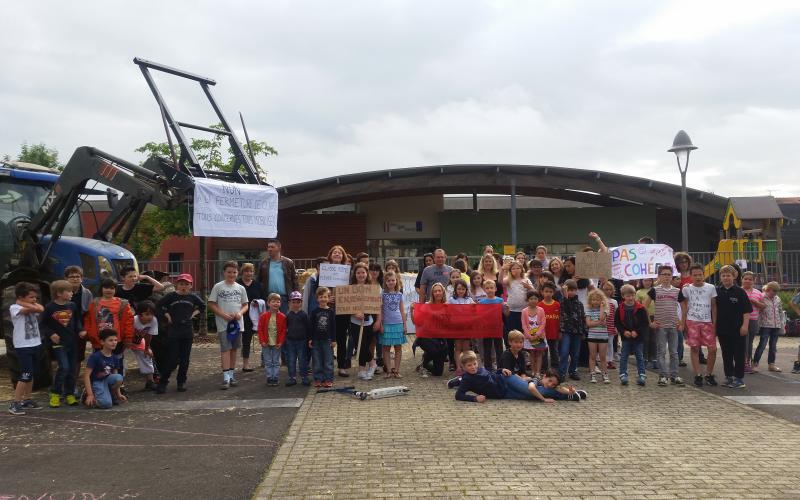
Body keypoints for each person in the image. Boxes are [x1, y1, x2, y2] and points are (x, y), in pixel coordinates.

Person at [455, 351, 585, 403]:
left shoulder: (481, 369)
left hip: (507, 381)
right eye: (469, 366)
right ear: (463, 367)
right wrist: (474, 398)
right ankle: (569, 395)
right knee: (530, 396)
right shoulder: (467, 379)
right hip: (504, 394)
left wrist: (502, 370)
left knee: (533, 391)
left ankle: (570, 395)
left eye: (475, 364)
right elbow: (459, 396)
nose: (473, 367)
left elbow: (492, 374)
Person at [155, 273, 205, 394]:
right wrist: (167, 315)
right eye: (181, 284)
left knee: (184, 359)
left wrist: (193, 315)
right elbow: (159, 306)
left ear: (191, 285)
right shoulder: (171, 296)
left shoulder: (193, 297)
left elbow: (202, 306)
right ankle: (163, 382)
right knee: (172, 358)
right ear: (176, 284)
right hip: (174, 331)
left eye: (186, 284)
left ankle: (181, 382)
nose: (184, 286)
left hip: (187, 331)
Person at [41, 280, 84, 408]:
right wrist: (51, 334)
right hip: (59, 344)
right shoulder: (49, 307)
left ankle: (69, 394)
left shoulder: (72, 306)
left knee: (71, 370)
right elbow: (43, 324)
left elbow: (77, 321)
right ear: (59, 293)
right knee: (64, 367)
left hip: (72, 343)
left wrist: (81, 330)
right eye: (69, 291)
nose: (72, 293)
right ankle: (55, 393)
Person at [208, 261, 249, 390]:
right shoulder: (218, 287)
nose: (231, 274)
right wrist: (223, 314)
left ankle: (231, 375)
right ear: (224, 273)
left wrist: (240, 313)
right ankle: (225, 377)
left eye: (234, 272)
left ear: (238, 273)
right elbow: (211, 303)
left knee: (234, 349)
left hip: (237, 324)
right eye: (229, 272)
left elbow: (245, 304)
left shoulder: (241, 288)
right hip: (223, 324)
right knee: (225, 349)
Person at [644, 266, 685, 386]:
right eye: (664, 274)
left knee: (674, 352)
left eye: (668, 274)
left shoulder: (677, 291)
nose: (666, 277)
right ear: (659, 276)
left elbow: (684, 307)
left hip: (674, 326)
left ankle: (674, 375)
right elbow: (644, 306)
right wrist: (650, 323)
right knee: (661, 352)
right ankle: (663, 376)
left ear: (672, 276)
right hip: (660, 326)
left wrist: (682, 322)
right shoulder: (654, 290)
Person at [8, 282, 45, 415]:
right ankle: (15, 402)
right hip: (23, 346)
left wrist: (26, 302)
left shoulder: (32, 305)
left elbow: (41, 308)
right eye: (31, 297)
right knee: (25, 375)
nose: (35, 300)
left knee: (31, 374)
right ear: (20, 297)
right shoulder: (14, 307)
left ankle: (27, 399)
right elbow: (35, 309)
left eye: (35, 297)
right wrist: (22, 303)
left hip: (35, 343)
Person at [680, 264, 718, 387]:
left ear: (703, 275)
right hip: (692, 321)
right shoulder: (686, 289)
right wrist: (683, 323)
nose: (697, 277)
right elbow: (684, 307)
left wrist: (714, 322)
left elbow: (713, 306)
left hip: (707, 322)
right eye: (695, 275)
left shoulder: (711, 287)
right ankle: (698, 375)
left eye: (700, 275)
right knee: (695, 348)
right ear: (691, 276)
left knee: (712, 349)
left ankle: (709, 374)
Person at [715, 265, 753, 389]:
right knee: (726, 354)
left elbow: (746, 311)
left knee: (738, 354)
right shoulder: (717, 291)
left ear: (734, 277)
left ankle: (739, 379)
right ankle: (729, 376)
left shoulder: (740, 292)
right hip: (722, 329)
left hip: (738, 329)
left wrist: (745, 326)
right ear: (720, 277)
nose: (726, 278)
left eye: (728, 275)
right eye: (723, 275)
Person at [84, 278, 134, 359]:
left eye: (112, 288)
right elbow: (88, 319)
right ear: (101, 289)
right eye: (106, 288)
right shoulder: (94, 303)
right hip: (99, 341)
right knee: (100, 364)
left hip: (116, 341)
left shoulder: (123, 304)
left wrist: (128, 337)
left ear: (115, 289)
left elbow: (129, 322)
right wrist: (90, 334)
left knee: (117, 363)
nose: (109, 290)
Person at [326, 244, 354, 377]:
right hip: (327, 309)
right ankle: (328, 365)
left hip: (343, 309)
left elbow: (352, 289)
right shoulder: (324, 271)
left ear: (343, 256)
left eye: (339, 253)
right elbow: (319, 290)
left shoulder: (348, 272)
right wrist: (326, 298)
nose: (337, 254)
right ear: (330, 256)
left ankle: (342, 366)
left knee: (342, 339)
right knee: (327, 338)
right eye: (334, 253)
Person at [82, 329, 126, 409]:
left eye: (116, 340)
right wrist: (90, 394)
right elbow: (86, 376)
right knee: (106, 404)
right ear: (102, 342)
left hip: (107, 380)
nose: (114, 342)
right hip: (97, 382)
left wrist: (118, 394)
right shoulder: (95, 356)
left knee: (119, 377)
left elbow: (115, 375)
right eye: (110, 340)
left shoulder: (115, 357)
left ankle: (110, 394)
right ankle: (88, 395)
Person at [350, 262, 380, 380]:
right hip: (355, 322)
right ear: (355, 274)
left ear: (366, 273)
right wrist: (355, 313)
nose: (361, 275)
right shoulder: (350, 288)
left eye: (363, 272)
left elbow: (377, 305)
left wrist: (378, 321)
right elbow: (346, 305)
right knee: (359, 345)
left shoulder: (372, 288)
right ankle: (372, 364)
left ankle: (363, 369)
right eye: (358, 273)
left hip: (368, 322)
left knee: (365, 345)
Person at [615, 284, 649, 386]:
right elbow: (617, 323)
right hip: (626, 337)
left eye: (632, 295)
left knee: (639, 355)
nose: (630, 298)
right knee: (624, 355)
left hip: (638, 337)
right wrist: (624, 331)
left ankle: (642, 374)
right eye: (628, 296)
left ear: (635, 295)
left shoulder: (641, 308)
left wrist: (637, 331)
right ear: (623, 296)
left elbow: (644, 323)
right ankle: (623, 374)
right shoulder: (620, 308)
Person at [412, 282, 448, 377]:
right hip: (427, 337)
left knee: (438, 373)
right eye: (435, 291)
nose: (437, 293)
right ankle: (426, 359)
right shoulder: (427, 306)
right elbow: (416, 321)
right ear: (432, 293)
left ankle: (424, 364)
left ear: (443, 292)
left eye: (439, 291)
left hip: (441, 338)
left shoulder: (448, 306)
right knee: (434, 350)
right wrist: (412, 311)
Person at [65, 265, 92, 386]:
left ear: (82, 278)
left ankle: (73, 383)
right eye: (72, 277)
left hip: (80, 329)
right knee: (65, 356)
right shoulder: (61, 293)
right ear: (66, 278)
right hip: (65, 329)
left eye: (78, 276)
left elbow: (89, 312)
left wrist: (85, 329)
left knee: (78, 357)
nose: (75, 279)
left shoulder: (86, 293)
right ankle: (65, 382)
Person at [378, 271, 407, 378]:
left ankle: (397, 370)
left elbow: (402, 310)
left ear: (396, 281)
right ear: (385, 282)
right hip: (386, 324)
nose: (391, 282)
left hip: (398, 323)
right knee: (386, 348)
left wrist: (404, 325)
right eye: (388, 280)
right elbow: (380, 310)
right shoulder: (382, 295)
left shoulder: (400, 295)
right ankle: (389, 371)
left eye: (393, 280)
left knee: (398, 348)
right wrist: (380, 324)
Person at [258, 238, 298, 314]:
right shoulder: (263, 263)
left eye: (272, 247)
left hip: (284, 299)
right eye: (268, 247)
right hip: (268, 298)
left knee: (283, 322)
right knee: (270, 323)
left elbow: (294, 281)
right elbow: (259, 281)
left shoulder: (288, 262)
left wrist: (295, 298)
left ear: (279, 248)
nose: (269, 249)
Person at [238, 262, 264, 372]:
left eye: (251, 271)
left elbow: (264, 299)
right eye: (246, 271)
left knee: (264, 339)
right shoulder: (237, 284)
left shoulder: (258, 285)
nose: (249, 273)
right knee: (246, 341)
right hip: (241, 315)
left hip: (256, 316)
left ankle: (266, 361)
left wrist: (258, 302)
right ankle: (245, 364)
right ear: (242, 272)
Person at [753, 281, 784, 373]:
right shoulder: (761, 297)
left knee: (773, 346)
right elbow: (758, 309)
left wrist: (781, 324)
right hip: (765, 325)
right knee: (762, 345)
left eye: (776, 291)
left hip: (776, 325)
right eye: (773, 291)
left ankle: (771, 365)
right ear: (768, 289)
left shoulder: (777, 298)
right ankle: (755, 364)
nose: (775, 293)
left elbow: (780, 311)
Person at [559, 279, 586, 381]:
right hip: (566, 331)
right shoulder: (562, 301)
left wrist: (584, 331)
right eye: (568, 290)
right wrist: (564, 295)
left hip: (577, 331)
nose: (570, 292)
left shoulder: (580, 304)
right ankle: (561, 373)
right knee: (564, 352)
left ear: (576, 290)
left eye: (572, 290)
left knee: (575, 353)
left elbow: (582, 318)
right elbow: (567, 309)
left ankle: (573, 371)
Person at [309, 286, 336, 388]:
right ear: (317, 299)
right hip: (316, 340)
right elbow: (311, 326)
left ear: (328, 298)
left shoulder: (331, 312)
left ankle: (328, 379)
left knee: (328, 361)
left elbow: (333, 327)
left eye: (325, 297)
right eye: (321, 297)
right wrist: (310, 338)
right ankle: (318, 379)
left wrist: (334, 340)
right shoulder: (314, 312)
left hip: (327, 340)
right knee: (317, 360)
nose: (323, 299)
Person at [503, 261, 534, 349]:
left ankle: (524, 351)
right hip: (512, 311)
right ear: (510, 271)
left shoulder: (526, 280)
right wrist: (502, 270)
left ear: (521, 269)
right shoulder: (509, 280)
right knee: (512, 332)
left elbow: (533, 291)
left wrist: (528, 287)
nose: (516, 270)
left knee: (523, 331)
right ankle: (512, 350)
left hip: (524, 311)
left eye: (518, 268)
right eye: (513, 268)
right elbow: (501, 281)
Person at [258, 293, 287, 386]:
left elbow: (283, 331)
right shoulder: (263, 316)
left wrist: (281, 342)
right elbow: (260, 329)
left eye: (278, 301)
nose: (276, 303)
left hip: (277, 343)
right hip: (266, 342)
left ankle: (275, 377)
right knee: (268, 361)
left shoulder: (283, 317)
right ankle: (269, 377)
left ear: (280, 303)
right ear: (268, 303)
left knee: (276, 361)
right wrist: (262, 340)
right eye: (273, 301)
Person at [448, 278, 474, 376]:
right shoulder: (451, 300)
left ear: (466, 290)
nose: (461, 291)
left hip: (467, 327)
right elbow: (444, 308)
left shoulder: (469, 300)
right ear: (455, 290)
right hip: (456, 327)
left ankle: (466, 367)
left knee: (466, 348)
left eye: (463, 289)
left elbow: (477, 308)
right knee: (458, 347)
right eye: (459, 289)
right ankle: (458, 367)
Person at [741, 271, 765, 374]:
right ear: (742, 280)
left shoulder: (758, 293)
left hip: (754, 320)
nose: (747, 281)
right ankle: (743, 362)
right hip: (741, 320)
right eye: (745, 278)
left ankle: (748, 362)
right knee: (743, 341)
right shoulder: (739, 291)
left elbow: (763, 306)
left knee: (750, 342)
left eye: (750, 279)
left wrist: (756, 302)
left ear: (754, 281)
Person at [131, 300, 158, 391]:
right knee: (119, 357)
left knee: (146, 355)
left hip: (138, 340)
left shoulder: (153, 320)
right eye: (147, 314)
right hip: (126, 340)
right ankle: (120, 384)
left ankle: (150, 381)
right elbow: (125, 333)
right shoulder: (133, 320)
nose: (150, 316)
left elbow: (149, 335)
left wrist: (147, 348)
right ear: (139, 314)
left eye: (152, 314)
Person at [478, 280, 506, 370]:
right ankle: (488, 367)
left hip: (497, 328)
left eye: (491, 288)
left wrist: (506, 307)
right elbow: (479, 316)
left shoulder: (500, 300)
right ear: (484, 289)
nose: (489, 290)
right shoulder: (481, 302)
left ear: (495, 289)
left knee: (499, 348)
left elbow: (505, 313)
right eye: (487, 288)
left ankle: (500, 367)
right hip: (486, 329)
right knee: (487, 348)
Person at [285, 291, 311, 386]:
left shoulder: (304, 315)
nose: (296, 304)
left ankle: (304, 377)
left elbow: (308, 328)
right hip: (290, 341)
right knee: (291, 360)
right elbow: (285, 327)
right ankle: (292, 377)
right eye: (294, 302)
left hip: (302, 341)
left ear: (301, 303)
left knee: (302, 360)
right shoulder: (288, 315)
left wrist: (309, 339)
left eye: (298, 302)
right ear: (290, 303)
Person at [585, 289, 609, 384]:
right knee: (592, 356)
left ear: (602, 300)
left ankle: (605, 374)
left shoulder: (605, 309)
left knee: (603, 357)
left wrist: (602, 308)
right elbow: (588, 324)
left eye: (598, 300)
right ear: (590, 300)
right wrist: (599, 322)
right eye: (593, 300)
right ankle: (592, 374)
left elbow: (603, 318)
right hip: (592, 336)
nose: (595, 302)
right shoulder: (588, 310)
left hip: (603, 336)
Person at [521, 290, 547, 377]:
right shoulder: (524, 311)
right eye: (531, 298)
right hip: (529, 337)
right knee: (532, 354)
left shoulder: (541, 310)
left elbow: (543, 323)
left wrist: (538, 334)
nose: (533, 300)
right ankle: (533, 371)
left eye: (535, 298)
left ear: (538, 299)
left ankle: (538, 372)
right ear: (527, 300)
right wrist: (529, 335)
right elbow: (524, 324)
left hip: (540, 336)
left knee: (539, 354)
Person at [539, 282, 561, 372]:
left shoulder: (557, 305)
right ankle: (544, 368)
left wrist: (560, 331)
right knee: (543, 351)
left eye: (550, 291)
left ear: (554, 292)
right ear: (542, 292)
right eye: (546, 291)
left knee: (554, 351)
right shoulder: (539, 305)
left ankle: (555, 368)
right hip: (543, 333)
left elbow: (560, 319)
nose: (548, 293)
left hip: (554, 332)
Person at [636, 278, 658, 369]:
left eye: (649, 280)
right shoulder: (639, 292)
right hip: (644, 318)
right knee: (645, 338)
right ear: (641, 281)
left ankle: (654, 359)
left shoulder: (656, 290)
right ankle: (644, 358)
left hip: (655, 316)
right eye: (645, 280)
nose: (647, 282)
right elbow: (637, 305)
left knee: (654, 339)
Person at [601, 281, 618, 370]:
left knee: (610, 343)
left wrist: (616, 326)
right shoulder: (601, 300)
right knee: (601, 343)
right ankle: (602, 359)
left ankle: (610, 360)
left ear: (612, 291)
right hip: (601, 326)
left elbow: (616, 315)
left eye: (610, 289)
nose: (608, 291)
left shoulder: (614, 302)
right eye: (606, 289)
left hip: (611, 325)